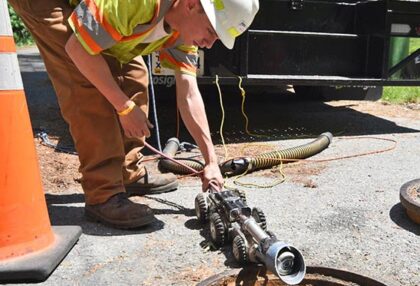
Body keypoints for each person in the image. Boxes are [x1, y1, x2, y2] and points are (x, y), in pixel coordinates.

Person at [8, 0, 259, 229]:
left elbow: (189, 95)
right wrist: (124, 107)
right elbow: (78, 48)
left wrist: (211, 161)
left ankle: (127, 172)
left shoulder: (183, 30)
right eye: (212, 32)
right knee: (87, 86)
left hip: (106, 9)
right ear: (192, 5)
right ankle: (103, 193)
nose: (209, 43)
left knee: (134, 76)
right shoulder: (139, 2)